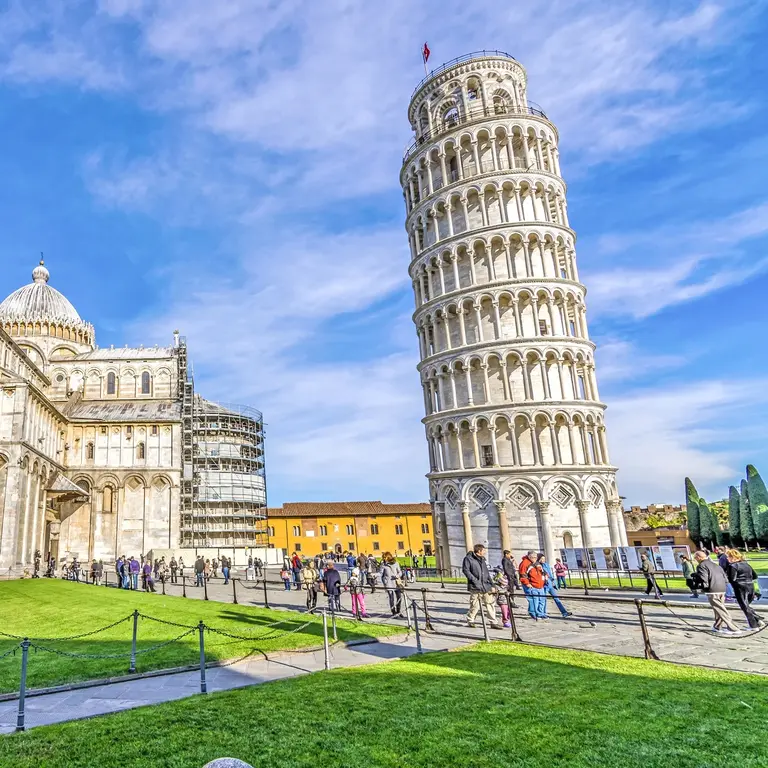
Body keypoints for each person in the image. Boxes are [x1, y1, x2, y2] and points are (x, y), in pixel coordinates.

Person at [693, 550, 740, 633]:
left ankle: (733, 627)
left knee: (720, 609)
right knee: (718, 608)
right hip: (722, 589)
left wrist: (697, 579)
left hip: (712, 590)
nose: (695, 560)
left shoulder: (701, 565)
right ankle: (717, 626)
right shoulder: (715, 565)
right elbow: (725, 578)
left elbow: (704, 579)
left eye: (695, 558)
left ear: (699, 557)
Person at [462, 544, 502, 629]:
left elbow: (486, 573)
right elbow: (466, 571)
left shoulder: (482, 559)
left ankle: (493, 622)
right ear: (479, 551)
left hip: (486, 586)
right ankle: (471, 620)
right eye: (483, 550)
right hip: (475, 586)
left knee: (490, 604)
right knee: (475, 605)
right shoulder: (468, 559)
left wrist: (492, 584)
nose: (485, 552)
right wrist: (475, 581)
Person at [726, 549, 764, 629]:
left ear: (733, 557)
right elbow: (755, 576)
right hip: (750, 586)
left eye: (728, 557)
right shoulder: (746, 564)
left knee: (744, 606)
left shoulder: (733, 566)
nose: (727, 559)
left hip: (740, 587)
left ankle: (753, 625)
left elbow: (732, 579)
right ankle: (757, 619)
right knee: (747, 605)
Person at [538, 554, 573, 618]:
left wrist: (554, 582)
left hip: (550, 584)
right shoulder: (538, 566)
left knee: (556, 598)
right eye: (542, 558)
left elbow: (550, 574)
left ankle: (564, 612)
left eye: (544, 558)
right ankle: (542, 613)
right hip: (544, 584)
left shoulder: (546, 565)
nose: (544, 560)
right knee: (543, 599)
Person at [518, 550, 547, 620]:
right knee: (534, 600)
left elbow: (542, 571)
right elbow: (523, 575)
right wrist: (527, 583)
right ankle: (533, 613)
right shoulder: (524, 563)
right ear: (529, 557)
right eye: (533, 557)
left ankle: (540, 613)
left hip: (540, 584)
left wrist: (546, 575)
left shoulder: (537, 563)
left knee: (542, 600)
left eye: (535, 557)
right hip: (532, 585)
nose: (534, 558)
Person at [380, 552, 405, 617]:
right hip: (388, 583)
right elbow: (381, 574)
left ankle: (398, 611)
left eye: (384, 557)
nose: (384, 559)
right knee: (391, 598)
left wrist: (397, 575)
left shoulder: (396, 563)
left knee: (399, 597)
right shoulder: (383, 565)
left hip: (396, 583)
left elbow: (400, 572)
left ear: (388, 557)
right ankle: (393, 611)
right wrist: (384, 583)